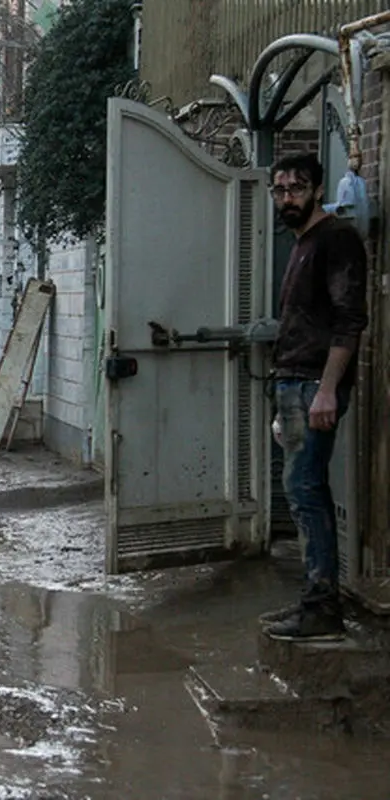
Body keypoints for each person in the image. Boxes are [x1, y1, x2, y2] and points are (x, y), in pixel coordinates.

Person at [261, 152, 368, 642]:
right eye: (280, 190)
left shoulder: (335, 239)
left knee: (306, 490)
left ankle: (322, 609)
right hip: (293, 382)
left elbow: (350, 321)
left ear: (318, 190)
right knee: (301, 489)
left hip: (312, 385)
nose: (287, 198)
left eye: (296, 189)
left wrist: (326, 389)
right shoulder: (302, 242)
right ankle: (314, 597)